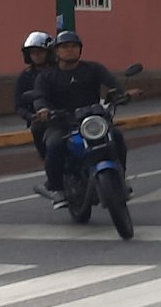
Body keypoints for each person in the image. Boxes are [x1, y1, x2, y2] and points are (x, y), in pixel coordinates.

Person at [30, 32, 126, 202]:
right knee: (55, 144)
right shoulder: (46, 76)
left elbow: (112, 82)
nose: (70, 50)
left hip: (92, 119)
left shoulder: (93, 69)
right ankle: (57, 188)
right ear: (56, 51)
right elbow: (39, 96)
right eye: (65, 47)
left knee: (116, 137)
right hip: (61, 122)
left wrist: (122, 93)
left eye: (74, 46)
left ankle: (119, 179)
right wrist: (43, 109)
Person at [16, 31, 55, 158]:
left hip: (64, 113)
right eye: (32, 52)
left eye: (40, 51)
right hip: (42, 118)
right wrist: (31, 116)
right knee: (37, 129)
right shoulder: (25, 76)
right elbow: (19, 104)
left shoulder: (59, 71)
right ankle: (49, 165)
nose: (36, 55)